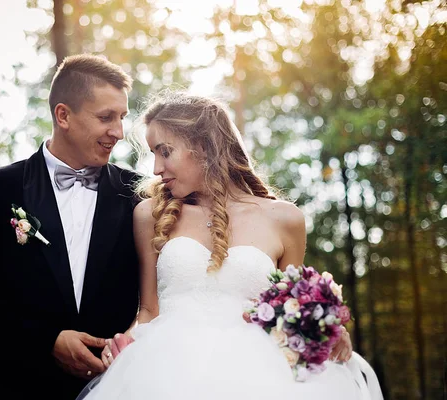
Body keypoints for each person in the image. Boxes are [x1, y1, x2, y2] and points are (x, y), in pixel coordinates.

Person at [77, 91, 383, 400]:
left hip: (263, 379)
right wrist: (123, 346)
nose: (156, 168)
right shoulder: (149, 214)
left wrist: (323, 328)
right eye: (153, 153)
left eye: (165, 151)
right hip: (165, 373)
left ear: (204, 148)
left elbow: (290, 308)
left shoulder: (285, 220)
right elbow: (149, 310)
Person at [0, 54, 142, 400]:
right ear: (63, 115)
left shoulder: (138, 195)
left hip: (117, 388)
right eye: (106, 117)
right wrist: (46, 340)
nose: (118, 133)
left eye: (121, 117)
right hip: (19, 388)